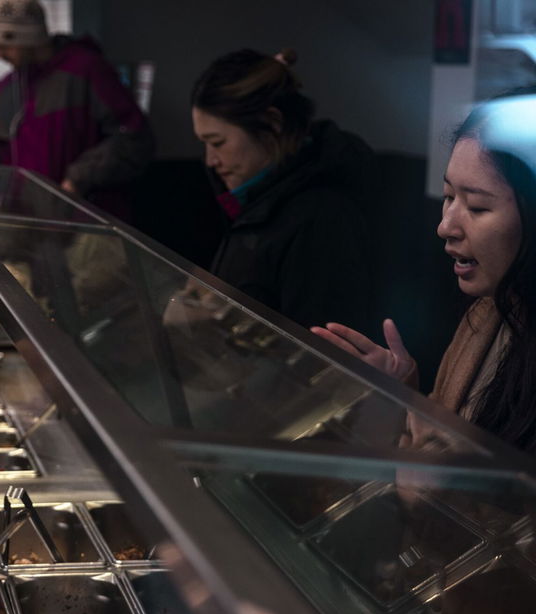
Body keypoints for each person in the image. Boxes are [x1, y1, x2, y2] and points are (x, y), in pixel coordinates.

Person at [313, 94, 536, 452]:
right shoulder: (486, 312)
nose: (445, 227)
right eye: (449, 196)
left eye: (477, 207)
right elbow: (433, 448)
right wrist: (402, 392)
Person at [191, 48, 376, 333]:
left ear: (272, 123)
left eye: (218, 142)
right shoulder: (259, 197)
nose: (210, 160)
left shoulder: (321, 219)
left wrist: (206, 326)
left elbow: (320, 355)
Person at [0, 0, 154, 220]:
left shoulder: (86, 72)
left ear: (30, 37)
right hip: (29, 227)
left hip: (87, 224)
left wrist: (80, 178)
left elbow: (133, 138)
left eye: (6, 44)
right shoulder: (7, 88)